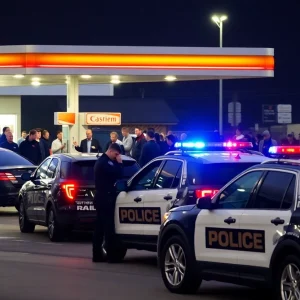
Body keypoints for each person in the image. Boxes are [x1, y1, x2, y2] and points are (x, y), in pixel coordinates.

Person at [93, 143, 123, 263]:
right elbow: (118, 174)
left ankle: (97, 255)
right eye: (116, 154)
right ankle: (111, 256)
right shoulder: (104, 162)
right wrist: (120, 164)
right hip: (104, 198)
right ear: (110, 151)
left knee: (100, 228)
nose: (116, 157)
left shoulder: (104, 161)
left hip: (103, 197)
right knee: (108, 228)